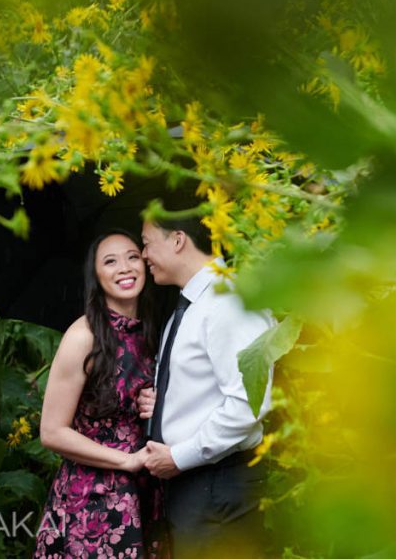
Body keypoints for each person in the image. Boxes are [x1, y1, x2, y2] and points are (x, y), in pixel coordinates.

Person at [137, 215, 274, 555]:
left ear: (178, 240)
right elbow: (208, 389)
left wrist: (179, 457)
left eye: (147, 243)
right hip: (195, 486)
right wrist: (165, 404)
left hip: (218, 484)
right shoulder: (189, 306)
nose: (143, 255)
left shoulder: (229, 301)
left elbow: (248, 404)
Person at [33, 231, 166, 558]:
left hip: (143, 491)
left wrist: (157, 402)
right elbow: (51, 432)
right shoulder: (82, 337)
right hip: (91, 498)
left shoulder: (150, 330)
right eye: (110, 261)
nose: (125, 268)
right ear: (95, 275)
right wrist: (127, 460)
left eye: (133, 256)